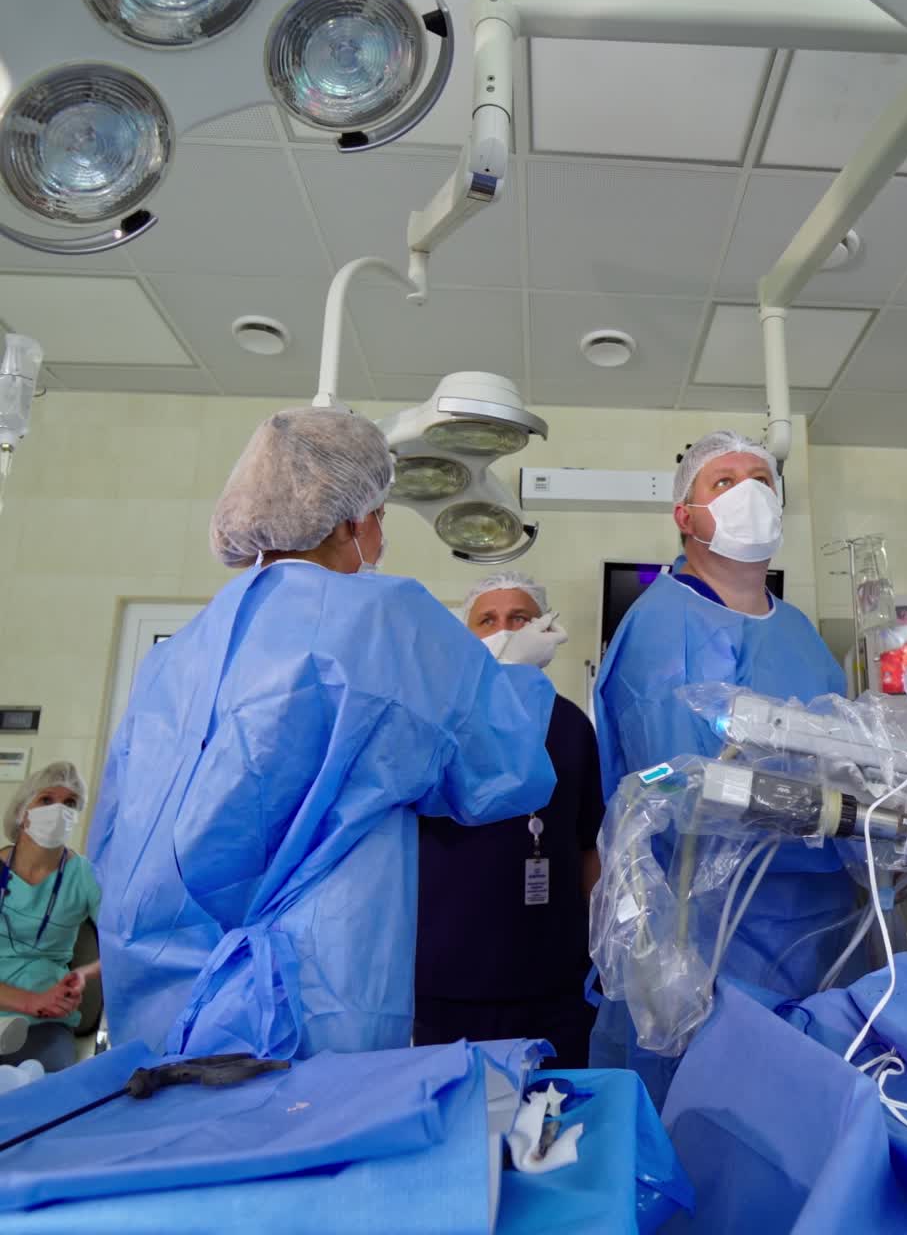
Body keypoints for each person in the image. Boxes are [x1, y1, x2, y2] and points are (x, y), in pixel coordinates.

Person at [90, 408, 557, 1060]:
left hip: (160, 999)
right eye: (383, 513)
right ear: (351, 520)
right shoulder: (382, 620)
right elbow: (495, 768)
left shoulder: (179, 654)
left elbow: (112, 833)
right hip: (313, 992)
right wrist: (511, 675)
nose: (382, 529)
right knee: (315, 1146)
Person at [591, 429, 856, 1106]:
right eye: (724, 481)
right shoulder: (663, 627)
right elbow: (689, 793)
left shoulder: (796, 629)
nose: (749, 494)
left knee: (803, 1113)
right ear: (685, 516)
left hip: (817, 920)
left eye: (761, 480)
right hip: (709, 928)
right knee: (718, 1117)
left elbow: (847, 757)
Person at [415, 572, 603, 1067]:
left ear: (543, 630)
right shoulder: (436, 720)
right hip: (449, 975)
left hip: (553, 977)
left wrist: (607, 946)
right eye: (488, 620)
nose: (506, 630)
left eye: (520, 619)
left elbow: (589, 847)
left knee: (559, 1118)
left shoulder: (569, 725)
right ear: (466, 635)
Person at [0, 763, 100, 1072]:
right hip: (17, 1003)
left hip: (45, 1021)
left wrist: (85, 973)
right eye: (46, 799)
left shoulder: (85, 877)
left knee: (42, 1096)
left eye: (70, 803)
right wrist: (29, 1001)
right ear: (22, 810)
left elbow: (124, 944)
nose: (59, 810)